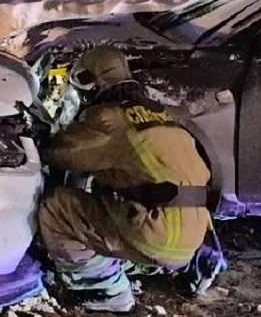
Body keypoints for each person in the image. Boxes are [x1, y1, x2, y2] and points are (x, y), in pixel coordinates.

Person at [37, 45, 226, 312]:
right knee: (114, 206)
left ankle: (104, 293)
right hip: (192, 238)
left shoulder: (108, 118)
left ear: (93, 86)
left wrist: (44, 134)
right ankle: (142, 266)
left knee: (57, 208)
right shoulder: (162, 116)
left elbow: (58, 154)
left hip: (161, 236)